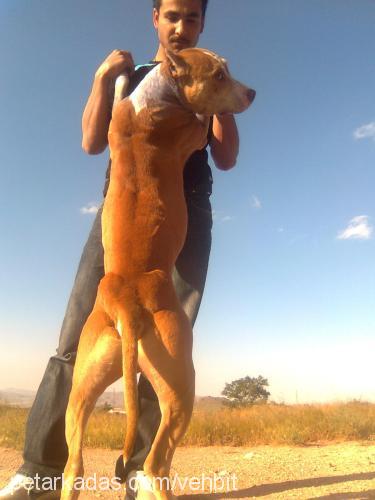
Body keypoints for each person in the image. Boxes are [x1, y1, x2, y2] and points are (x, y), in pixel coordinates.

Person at [0, 0, 241, 498]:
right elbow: (92, 142)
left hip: (187, 212)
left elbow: (227, 156)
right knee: (74, 340)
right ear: (155, 18)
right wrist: (101, 78)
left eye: (192, 17)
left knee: (170, 339)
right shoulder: (132, 78)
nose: (181, 26)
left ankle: (143, 470)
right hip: (120, 212)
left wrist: (218, 94)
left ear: (202, 23)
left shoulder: (204, 74)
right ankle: (42, 468)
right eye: (172, 15)